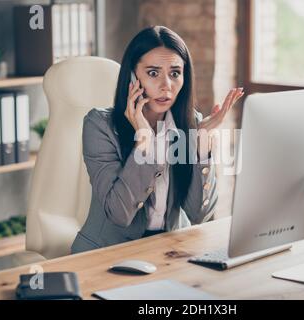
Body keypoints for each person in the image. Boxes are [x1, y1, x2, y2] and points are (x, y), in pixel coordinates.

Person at [71, 26, 244, 253]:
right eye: (153, 73)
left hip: (170, 250)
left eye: (175, 73)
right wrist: (144, 143)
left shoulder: (191, 123)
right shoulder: (100, 125)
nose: (166, 86)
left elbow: (199, 215)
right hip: (108, 252)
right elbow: (119, 214)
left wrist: (201, 145)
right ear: (132, 77)